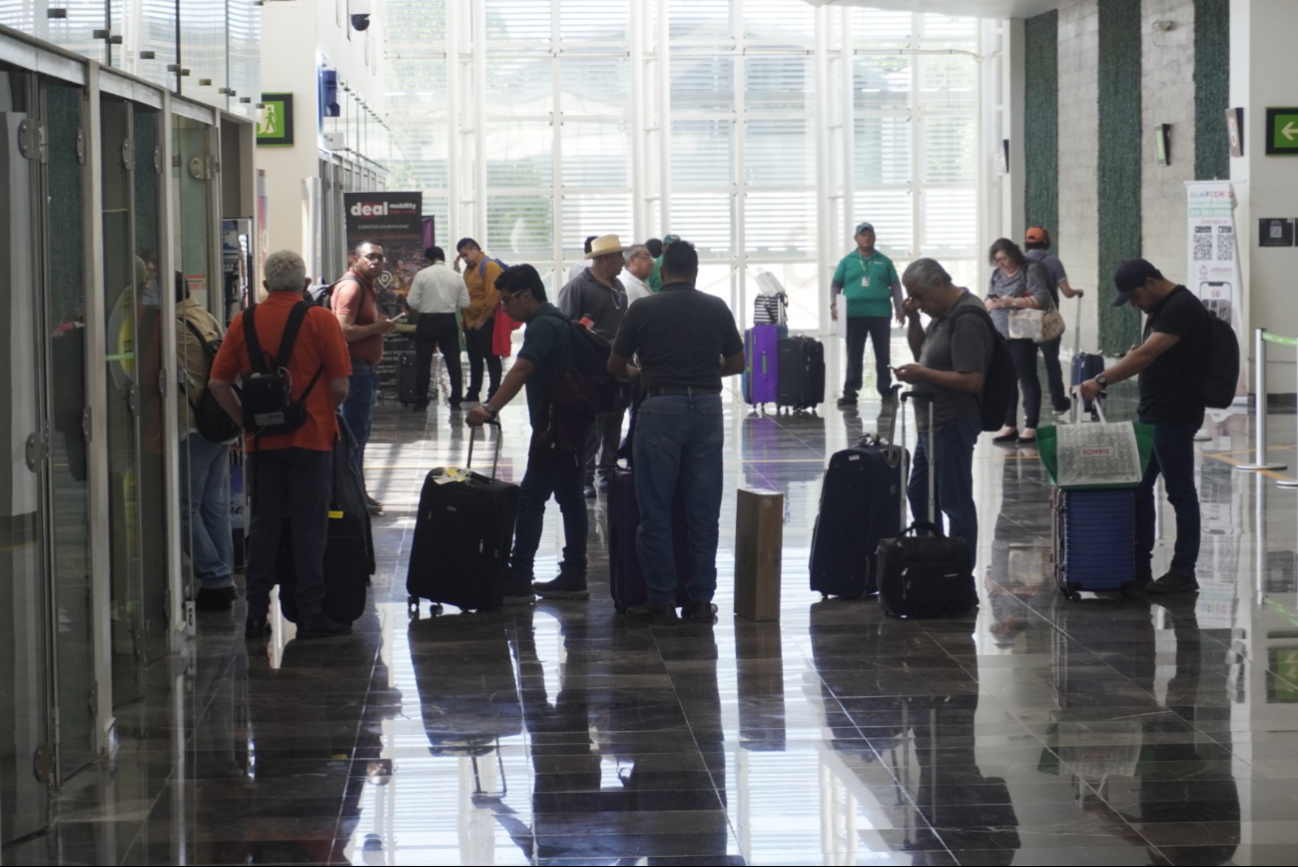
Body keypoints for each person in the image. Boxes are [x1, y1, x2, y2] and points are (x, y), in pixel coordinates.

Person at [208, 250, 354, 640]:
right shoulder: (321, 320)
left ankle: (256, 613)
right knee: (309, 526)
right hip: (312, 439)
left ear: (266, 285)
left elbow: (218, 384)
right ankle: (309, 611)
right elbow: (341, 386)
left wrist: (247, 423)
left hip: (262, 442)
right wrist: (318, 409)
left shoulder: (243, 321)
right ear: (305, 284)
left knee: (265, 524)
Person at [608, 240, 746, 624]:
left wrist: (642, 372)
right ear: (696, 272)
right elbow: (737, 362)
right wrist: (701, 370)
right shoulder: (716, 307)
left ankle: (662, 600)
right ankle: (700, 601)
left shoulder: (643, 308)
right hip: (706, 409)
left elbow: (615, 364)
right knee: (703, 511)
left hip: (659, 408)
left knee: (654, 510)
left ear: (662, 272)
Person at [1079, 259, 1211, 595]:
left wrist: (1102, 378)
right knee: (1138, 489)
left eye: (1135, 297)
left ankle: (1183, 571)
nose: (1134, 305)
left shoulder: (1180, 305)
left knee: (1180, 493)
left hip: (1173, 414)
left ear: (1151, 282)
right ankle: (1138, 565)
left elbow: (1146, 357)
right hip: (1153, 412)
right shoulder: (1160, 308)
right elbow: (1154, 352)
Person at [467, 265, 589, 602]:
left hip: (554, 430)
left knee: (532, 500)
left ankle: (520, 577)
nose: (504, 308)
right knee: (570, 498)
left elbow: (521, 370)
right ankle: (575, 573)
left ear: (526, 295)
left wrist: (489, 408)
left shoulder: (544, 326)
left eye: (507, 301)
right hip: (571, 426)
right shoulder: (557, 321)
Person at [893, 258, 995, 568]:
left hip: (952, 422)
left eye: (919, 296)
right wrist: (913, 320)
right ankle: (930, 562)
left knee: (954, 500)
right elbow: (922, 352)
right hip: (931, 424)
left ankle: (958, 572)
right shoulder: (941, 313)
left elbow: (972, 380)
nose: (917, 303)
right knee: (920, 494)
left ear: (939, 284)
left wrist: (922, 375)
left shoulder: (965, 318)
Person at [175, 273, 236, 611]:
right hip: (221, 423)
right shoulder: (204, 314)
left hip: (194, 425)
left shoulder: (173, 324)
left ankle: (214, 577)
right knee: (214, 507)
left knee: (185, 509)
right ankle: (223, 578)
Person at [558, 234, 630, 498]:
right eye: (619, 256)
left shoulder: (618, 286)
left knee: (614, 421)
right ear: (605, 258)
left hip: (618, 367)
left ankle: (607, 473)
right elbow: (566, 327)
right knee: (592, 426)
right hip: (590, 370)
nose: (623, 261)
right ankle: (585, 475)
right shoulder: (578, 287)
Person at [332, 241, 395, 514]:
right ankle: (351, 496)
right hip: (355, 371)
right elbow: (342, 331)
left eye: (380, 257)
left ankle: (357, 492)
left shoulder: (364, 287)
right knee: (355, 436)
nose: (377, 262)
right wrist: (377, 327)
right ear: (355, 259)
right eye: (370, 257)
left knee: (360, 434)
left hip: (363, 371)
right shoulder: (352, 287)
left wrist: (376, 324)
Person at [830, 221, 904, 408]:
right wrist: (834, 304)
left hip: (880, 314)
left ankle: (885, 390)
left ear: (874, 237)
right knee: (854, 353)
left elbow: (895, 286)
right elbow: (836, 284)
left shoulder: (884, 261)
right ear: (856, 238)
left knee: (883, 354)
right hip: (854, 314)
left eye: (869, 234)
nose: (866, 238)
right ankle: (850, 392)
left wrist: (899, 308)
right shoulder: (847, 262)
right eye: (862, 235)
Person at [985, 237, 1051, 445]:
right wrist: (991, 304)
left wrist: (1011, 301)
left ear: (1013, 255)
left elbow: (1042, 299)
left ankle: (1030, 425)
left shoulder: (1029, 270)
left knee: (1026, 377)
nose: (1001, 264)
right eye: (997, 260)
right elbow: (989, 297)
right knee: (1006, 379)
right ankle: (1009, 424)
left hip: (1021, 333)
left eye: (1003, 259)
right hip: (1000, 333)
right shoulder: (997, 274)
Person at [1024, 227, 1084, 414]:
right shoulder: (1052, 262)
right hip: (1047, 320)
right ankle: (1058, 404)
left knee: (1026, 367)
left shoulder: (1021, 262)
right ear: (1046, 243)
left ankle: (1029, 407)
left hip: (1025, 320)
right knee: (1051, 363)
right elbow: (1066, 292)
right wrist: (1077, 292)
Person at [405, 245, 470, 410]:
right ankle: (456, 400)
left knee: (423, 361)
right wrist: (448, 304)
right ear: (444, 259)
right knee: (453, 362)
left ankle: (421, 400)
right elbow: (465, 303)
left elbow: (412, 302)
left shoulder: (422, 275)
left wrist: (425, 305)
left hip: (426, 321)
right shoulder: (456, 276)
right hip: (448, 321)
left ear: (428, 260)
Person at [456, 237, 504, 403]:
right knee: (474, 359)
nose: (465, 259)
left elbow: (493, 296)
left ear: (475, 249)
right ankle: (473, 392)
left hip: (485, 321)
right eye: (462, 256)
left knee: (491, 358)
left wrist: (482, 320)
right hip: (470, 322)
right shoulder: (469, 270)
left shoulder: (489, 266)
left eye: (466, 254)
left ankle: (494, 395)